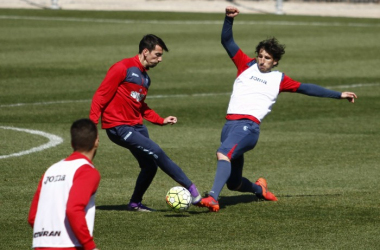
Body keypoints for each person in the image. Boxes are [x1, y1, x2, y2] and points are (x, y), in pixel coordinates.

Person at [198, 6, 358, 212]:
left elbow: (306, 88)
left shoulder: (279, 79)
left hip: (248, 128)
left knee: (223, 153)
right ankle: (260, 189)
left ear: (275, 61)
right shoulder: (245, 65)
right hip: (229, 126)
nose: (262, 60)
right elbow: (227, 41)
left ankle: (212, 197)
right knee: (234, 182)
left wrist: (339, 94)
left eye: (267, 58)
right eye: (260, 56)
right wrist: (229, 19)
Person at [89, 34, 201, 212]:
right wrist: (91, 126)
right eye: (157, 55)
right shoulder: (122, 68)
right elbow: (100, 95)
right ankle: (193, 191)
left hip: (137, 126)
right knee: (156, 151)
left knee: (150, 166)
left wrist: (160, 120)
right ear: (145, 51)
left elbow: (140, 106)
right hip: (118, 126)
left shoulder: (145, 78)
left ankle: (135, 203)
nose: (160, 59)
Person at [28, 118, 101, 250]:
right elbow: (74, 209)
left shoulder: (51, 170)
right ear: (96, 141)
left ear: (72, 143)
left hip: (41, 244)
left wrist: (51, 235)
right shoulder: (87, 171)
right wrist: (90, 246)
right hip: (70, 245)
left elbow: (33, 217)